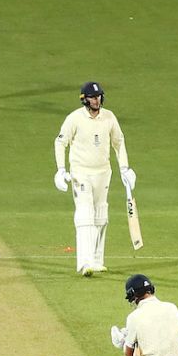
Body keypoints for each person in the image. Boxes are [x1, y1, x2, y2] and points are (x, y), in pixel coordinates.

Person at [54, 81, 135, 276]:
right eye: (92, 97)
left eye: (98, 96)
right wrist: (61, 170)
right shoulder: (74, 118)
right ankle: (84, 263)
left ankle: (97, 260)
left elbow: (119, 142)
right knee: (84, 215)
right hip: (81, 173)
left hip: (103, 173)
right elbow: (60, 142)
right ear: (85, 99)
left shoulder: (109, 117)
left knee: (101, 215)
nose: (96, 100)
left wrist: (125, 168)